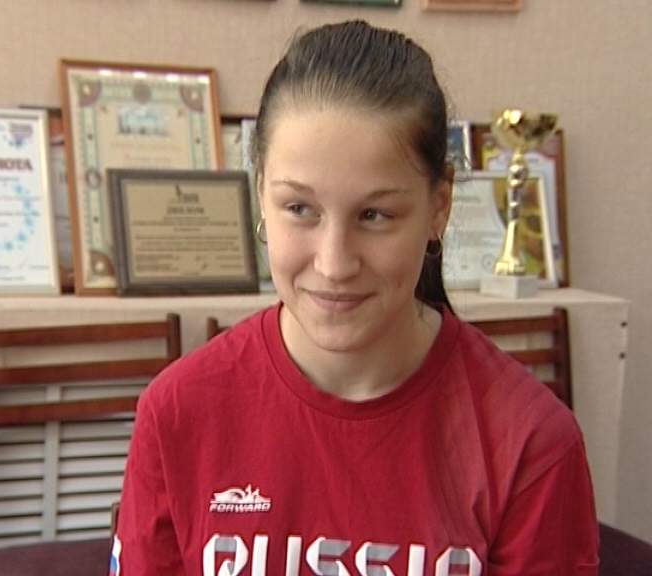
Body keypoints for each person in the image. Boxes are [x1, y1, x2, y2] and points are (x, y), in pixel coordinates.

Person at [113, 20, 599, 576]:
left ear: (438, 207)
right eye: (300, 209)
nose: (334, 263)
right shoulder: (179, 412)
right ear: (261, 195)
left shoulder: (530, 443)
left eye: (375, 215)